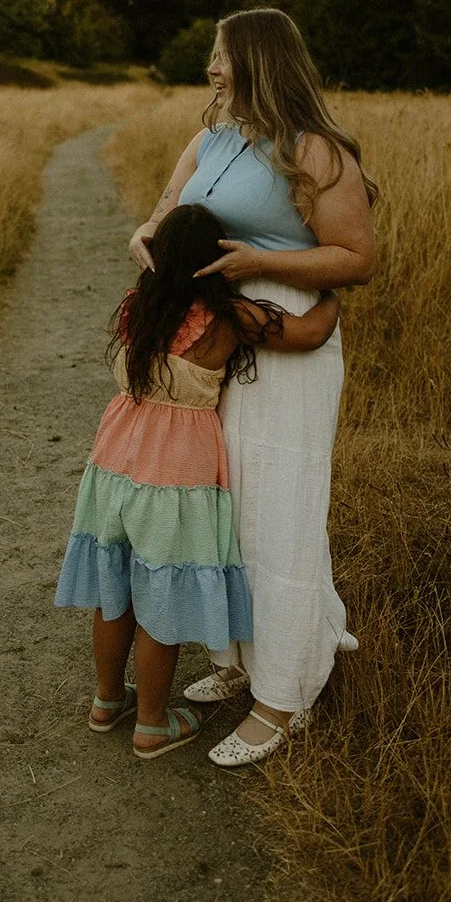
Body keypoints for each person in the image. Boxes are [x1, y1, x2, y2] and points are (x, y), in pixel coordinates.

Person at [128, 8, 377, 768]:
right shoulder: (209, 141)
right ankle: (240, 658)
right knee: (226, 507)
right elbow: (159, 221)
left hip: (287, 344)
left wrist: (255, 268)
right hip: (219, 341)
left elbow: (354, 257)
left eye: (219, 55)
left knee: (281, 516)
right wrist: (150, 247)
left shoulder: (315, 152)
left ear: (259, 63)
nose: (209, 68)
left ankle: (284, 699)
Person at [55, 203, 340, 759]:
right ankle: (153, 724)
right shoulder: (228, 317)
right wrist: (329, 293)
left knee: (116, 591)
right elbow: (308, 334)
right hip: (175, 470)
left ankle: (108, 700)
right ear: (216, 262)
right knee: (161, 595)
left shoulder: (138, 306)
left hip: (116, 456)